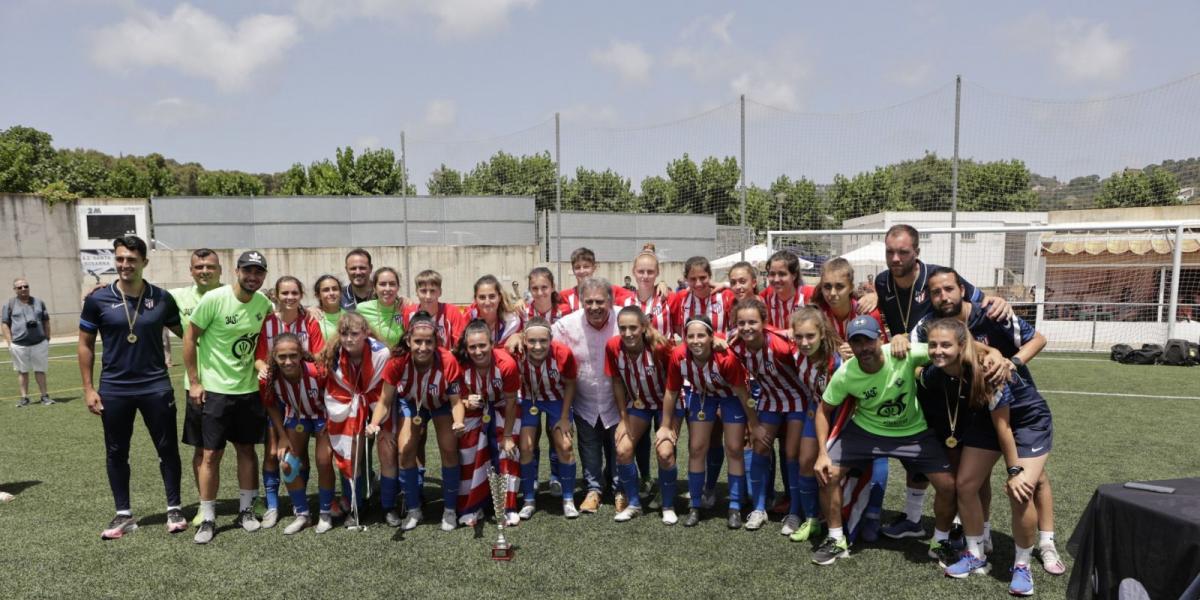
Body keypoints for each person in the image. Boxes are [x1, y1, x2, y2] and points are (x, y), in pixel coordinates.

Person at [915, 266, 1065, 576]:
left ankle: (1046, 543)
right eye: (935, 292)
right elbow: (917, 350)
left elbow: (1038, 339)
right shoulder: (928, 325)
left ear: (963, 290)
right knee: (972, 481)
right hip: (977, 408)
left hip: (1017, 405)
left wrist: (1010, 360)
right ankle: (979, 541)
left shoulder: (992, 312)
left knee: (1031, 481)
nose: (943, 296)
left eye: (949, 289)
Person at [872, 224, 1012, 542]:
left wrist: (998, 301)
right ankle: (913, 519)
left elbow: (978, 300)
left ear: (917, 253)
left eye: (903, 252)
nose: (895, 258)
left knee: (967, 453)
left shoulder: (938, 278)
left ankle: (969, 527)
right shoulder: (882, 281)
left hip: (954, 375)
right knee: (922, 448)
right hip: (918, 376)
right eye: (890, 252)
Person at [810, 316, 958, 566]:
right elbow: (823, 410)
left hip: (913, 432)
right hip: (866, 431)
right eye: (856, 343)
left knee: (948, 485)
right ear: (850, 345)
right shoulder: (846, 373)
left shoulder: (903, 353)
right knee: (827, 474)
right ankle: (836, 539)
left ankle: (940, 542)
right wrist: (822, 452)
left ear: (880, 338)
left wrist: (992, 354)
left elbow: (949, 350)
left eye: (868, 340)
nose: (863, 348)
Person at [925, 318, 1055, 596]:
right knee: (966, 486)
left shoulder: (986, 370)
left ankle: (1022, 566)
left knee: (1019, 491)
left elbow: (1004, 428)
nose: (938, 350)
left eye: (945, 345)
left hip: (1027, 421)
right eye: (933, 344)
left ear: (962, 346)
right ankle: (975, 554)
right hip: (988, 420)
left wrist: (1014, 471)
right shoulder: (944, 366)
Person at [78, 235, 186, 539]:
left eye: (131, 260)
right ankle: (123, 514)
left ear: (144, 262)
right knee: (116, 452)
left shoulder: (162, 298)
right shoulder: (97, 300)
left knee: (167, 449)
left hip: (155, 386)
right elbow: (84, 345)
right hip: (114, 388)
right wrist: (88, 388)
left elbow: (187, 333)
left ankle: (174, 508)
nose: (125, 265)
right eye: (120, 259)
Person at [183, 250, 273, 544]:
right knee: (211, 454)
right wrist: (195, 382)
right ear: (236, 271)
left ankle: (246, 510)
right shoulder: (215, 299)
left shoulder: (263, 304)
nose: (253, 277)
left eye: (258, 272)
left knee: (247, 450)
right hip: (216, 391)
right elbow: (189, 336)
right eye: (248, 271)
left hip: (248, 391)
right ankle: (207, 516)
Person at [814, 257, 890, 540]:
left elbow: (882, 349)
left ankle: (871, 514)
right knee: (822, 457)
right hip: (835, 397)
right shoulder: (818, 312)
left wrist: (875, 293)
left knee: (878, 453)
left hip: (870, 396)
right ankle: (829, 513)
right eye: (827, 287)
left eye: (839, 286)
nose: (833, 293)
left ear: (850, 287)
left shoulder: (869, 312)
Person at [662, 314, 760, 529]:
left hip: (732, 397)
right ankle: (695, 505)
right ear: (684, 338)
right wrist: (664, 425)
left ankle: (734, 505)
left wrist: (754, 424)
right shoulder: (678, 356)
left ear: (711, 337)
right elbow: (671, 392)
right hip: (702, 395)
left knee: (734, 448)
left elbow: (744, 395)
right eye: (691, 336)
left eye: (701, 335)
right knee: (697, 448)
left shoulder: (725, 357)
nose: (696, 340)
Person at [370, 311, 462, 532]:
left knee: (449, 450)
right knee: (405, 451)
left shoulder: (447, 360)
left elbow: (457, 401)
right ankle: (413, 509)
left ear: (435, 342)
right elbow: (384, 400)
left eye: (428, 342)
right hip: (411, 404)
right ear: (408, 340)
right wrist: (374, 423)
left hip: (440, 404)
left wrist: (458, 421)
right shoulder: (398, 361)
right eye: (417, 341)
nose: (422, 347)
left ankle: (450, 509)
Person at [729, 298, 807, 534]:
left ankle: (795, 512)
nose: (747, 327)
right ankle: (759, 508)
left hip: (797, 400)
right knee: (760, 447)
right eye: (741, 323)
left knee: (792, 453)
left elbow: (807, 361)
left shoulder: (781, 344)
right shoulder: (737, 346)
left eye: (753, 322)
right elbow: (740, 385)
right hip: (770, 400)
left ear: (764, 323)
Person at [252, 276, 325, 529]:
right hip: (278, 391)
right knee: (274, 452)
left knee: (304, 455)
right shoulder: (268, 322)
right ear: (277, 295)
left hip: (306, 394)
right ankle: (273, 506)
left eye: (294, 292)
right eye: (285, 293)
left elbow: (317, 357)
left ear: (301, 294)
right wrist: (264, 370)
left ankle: (300, 506)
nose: (290, 297)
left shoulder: (310, 321)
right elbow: (260, 358)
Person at [667, 256, 735, 510]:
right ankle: (678, 488)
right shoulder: (678, 299)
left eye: (703, 278)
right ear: (686, 279)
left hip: (718, 376)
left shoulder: (725, 298)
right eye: (693, 279)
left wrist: (726, 284)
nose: (698, 283)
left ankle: (710, 487)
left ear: (710, 277)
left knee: (715, 435)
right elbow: (674, 329)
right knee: (692, 438)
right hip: (687, 376)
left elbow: (739, 320)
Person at [551, 277, 620, 515]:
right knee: (589, 447)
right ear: (581, 302)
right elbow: (542, 344)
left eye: (600, 301)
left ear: (610, 301)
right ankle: (593, 490)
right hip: (584, 400)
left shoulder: (625, 319)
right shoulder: (565, 325)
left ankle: (619, 489)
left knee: (618, 446)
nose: (594, 307)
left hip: (617, 400)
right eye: (588, 301)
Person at [606, 306, 679, 524]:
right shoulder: (612, 347)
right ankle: (635, 503)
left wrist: (666, 424)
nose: (628, 333)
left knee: (665, 452)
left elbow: (672, 387)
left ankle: (668, 505)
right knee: (622, 449)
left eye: (633, 328)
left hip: (668, 402)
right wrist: (623, 418)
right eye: (622, 328)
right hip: (639, 404)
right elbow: (617, 382)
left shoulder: (660, 346)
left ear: (644, 327)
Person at [319, 311, 391, 529]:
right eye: (344, 333)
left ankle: (389, 506)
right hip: (346, 405)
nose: (349, 339)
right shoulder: (333, 355)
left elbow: (384, 391)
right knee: (351, 455)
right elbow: (331, 385)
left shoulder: (382, 353)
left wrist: (375, 421)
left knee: (388, 449)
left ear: (366, 333)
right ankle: (355, 506)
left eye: (354, 334)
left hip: (379, 402)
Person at [258, 333, 336, 535]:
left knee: (324, 460)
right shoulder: (269, 378)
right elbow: (271, 406)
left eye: (293, 355)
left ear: (301, 354)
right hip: (297, 416)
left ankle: (325, 513)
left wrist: (331, 421)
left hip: (323, 417)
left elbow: (334, 394)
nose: (288, 361)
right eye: (282, 356)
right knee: (287, 463)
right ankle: (303, 514)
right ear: (273, 357)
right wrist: (282, 435)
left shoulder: (318, 371)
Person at [170, 248, 223, 527]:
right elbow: (142, 296)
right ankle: (205, 505)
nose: (205, 271)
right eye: (199, 266)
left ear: (220, 270)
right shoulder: (177, 297)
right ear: (191, 271)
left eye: (210, 266)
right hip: (198, 387)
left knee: (246, 448)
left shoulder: (234, 295)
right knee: (203, 451)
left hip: (236, 386)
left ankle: (253, 500)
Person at [452, 319, 521, 526]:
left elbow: (510, 401)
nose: (478, 351)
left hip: (501, 407)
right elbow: (457, 399)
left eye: (482, 345)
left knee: (507, 450)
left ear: (492, 344)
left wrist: (507, 436)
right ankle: (472, 505)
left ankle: (508, 506)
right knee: (469, 451)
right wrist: (466, 401)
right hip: (473, 412)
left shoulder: (506, 364)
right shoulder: (460, 364)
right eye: (472, 347)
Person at [515, 317, 579, 520]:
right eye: (532, 341)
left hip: (557, 399)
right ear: (524, 340)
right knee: (525, 447)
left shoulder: (563, 353)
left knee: (565, 445)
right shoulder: (516, 352)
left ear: (551, 339)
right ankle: (529, 500)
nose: (537, 346)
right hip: (528, 400)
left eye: (543, 341)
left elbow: (570, 384)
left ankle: (568, 499)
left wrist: (564, 417)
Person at [788, 307, 842, 543]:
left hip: (841, 415)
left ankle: (855, 517)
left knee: (837, 469)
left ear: (821, 333)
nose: (805, 342)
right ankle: (811, 519)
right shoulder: (798, 355)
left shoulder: (838, 360)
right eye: (799, 336)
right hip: (816, 408)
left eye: (810, 336)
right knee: (806, 460)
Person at [3, 277, 51, 407]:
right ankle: (24, 398)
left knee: (40, 370)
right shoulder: (9, 304)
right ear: (15, 290)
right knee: (22, 371)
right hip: (19, 344)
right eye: (20, 287)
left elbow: (46, 320)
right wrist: (9, 342)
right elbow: (5, 324)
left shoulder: (39, 302)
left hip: (39, 343)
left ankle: (44, 396)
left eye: (26, 286)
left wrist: (47, 337)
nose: (23, 289)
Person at [403, 270, 465, 350]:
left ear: (440, 292)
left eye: (432, 291)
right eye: (423, 291)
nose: (428, 296)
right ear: (417, 292)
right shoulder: (408, 312)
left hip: (444, 360)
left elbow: (461, 344)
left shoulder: (452, 312)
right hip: (418, 358)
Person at [559, 247, 634, 312]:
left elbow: (635, 297)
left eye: (586, 267)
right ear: (573, 270)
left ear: (594, 268)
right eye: (577, 267)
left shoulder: (611, 290)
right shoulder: (565, 296)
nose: (582, 271)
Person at [760, 250, 815, 331]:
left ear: (794, 276)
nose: (776, 279)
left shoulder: (809, 295)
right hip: (776, 342)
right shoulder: (766, 295)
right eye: (772, 274)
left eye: (782, 274)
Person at [461, 275, 523, 346]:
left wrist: (519, 336)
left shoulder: (512, 320)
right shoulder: (466, 318)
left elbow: (528, 331)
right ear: (475, 299)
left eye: (492, 296)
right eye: (482, 297)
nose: (487, 302)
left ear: (499, 297)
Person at [355, 267, 407, 348]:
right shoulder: (361, 309)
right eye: (382, 284)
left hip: (398, 358)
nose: (387, 288)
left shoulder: (404, 308)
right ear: (375, 288)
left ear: (398, 287)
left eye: (392, 284)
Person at [312, 275, 346, 344]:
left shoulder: (350, 317)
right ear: (318, 295)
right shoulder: (313, 317)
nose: (331, 293)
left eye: (335, 289)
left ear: (341, 292)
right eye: (326, 290)